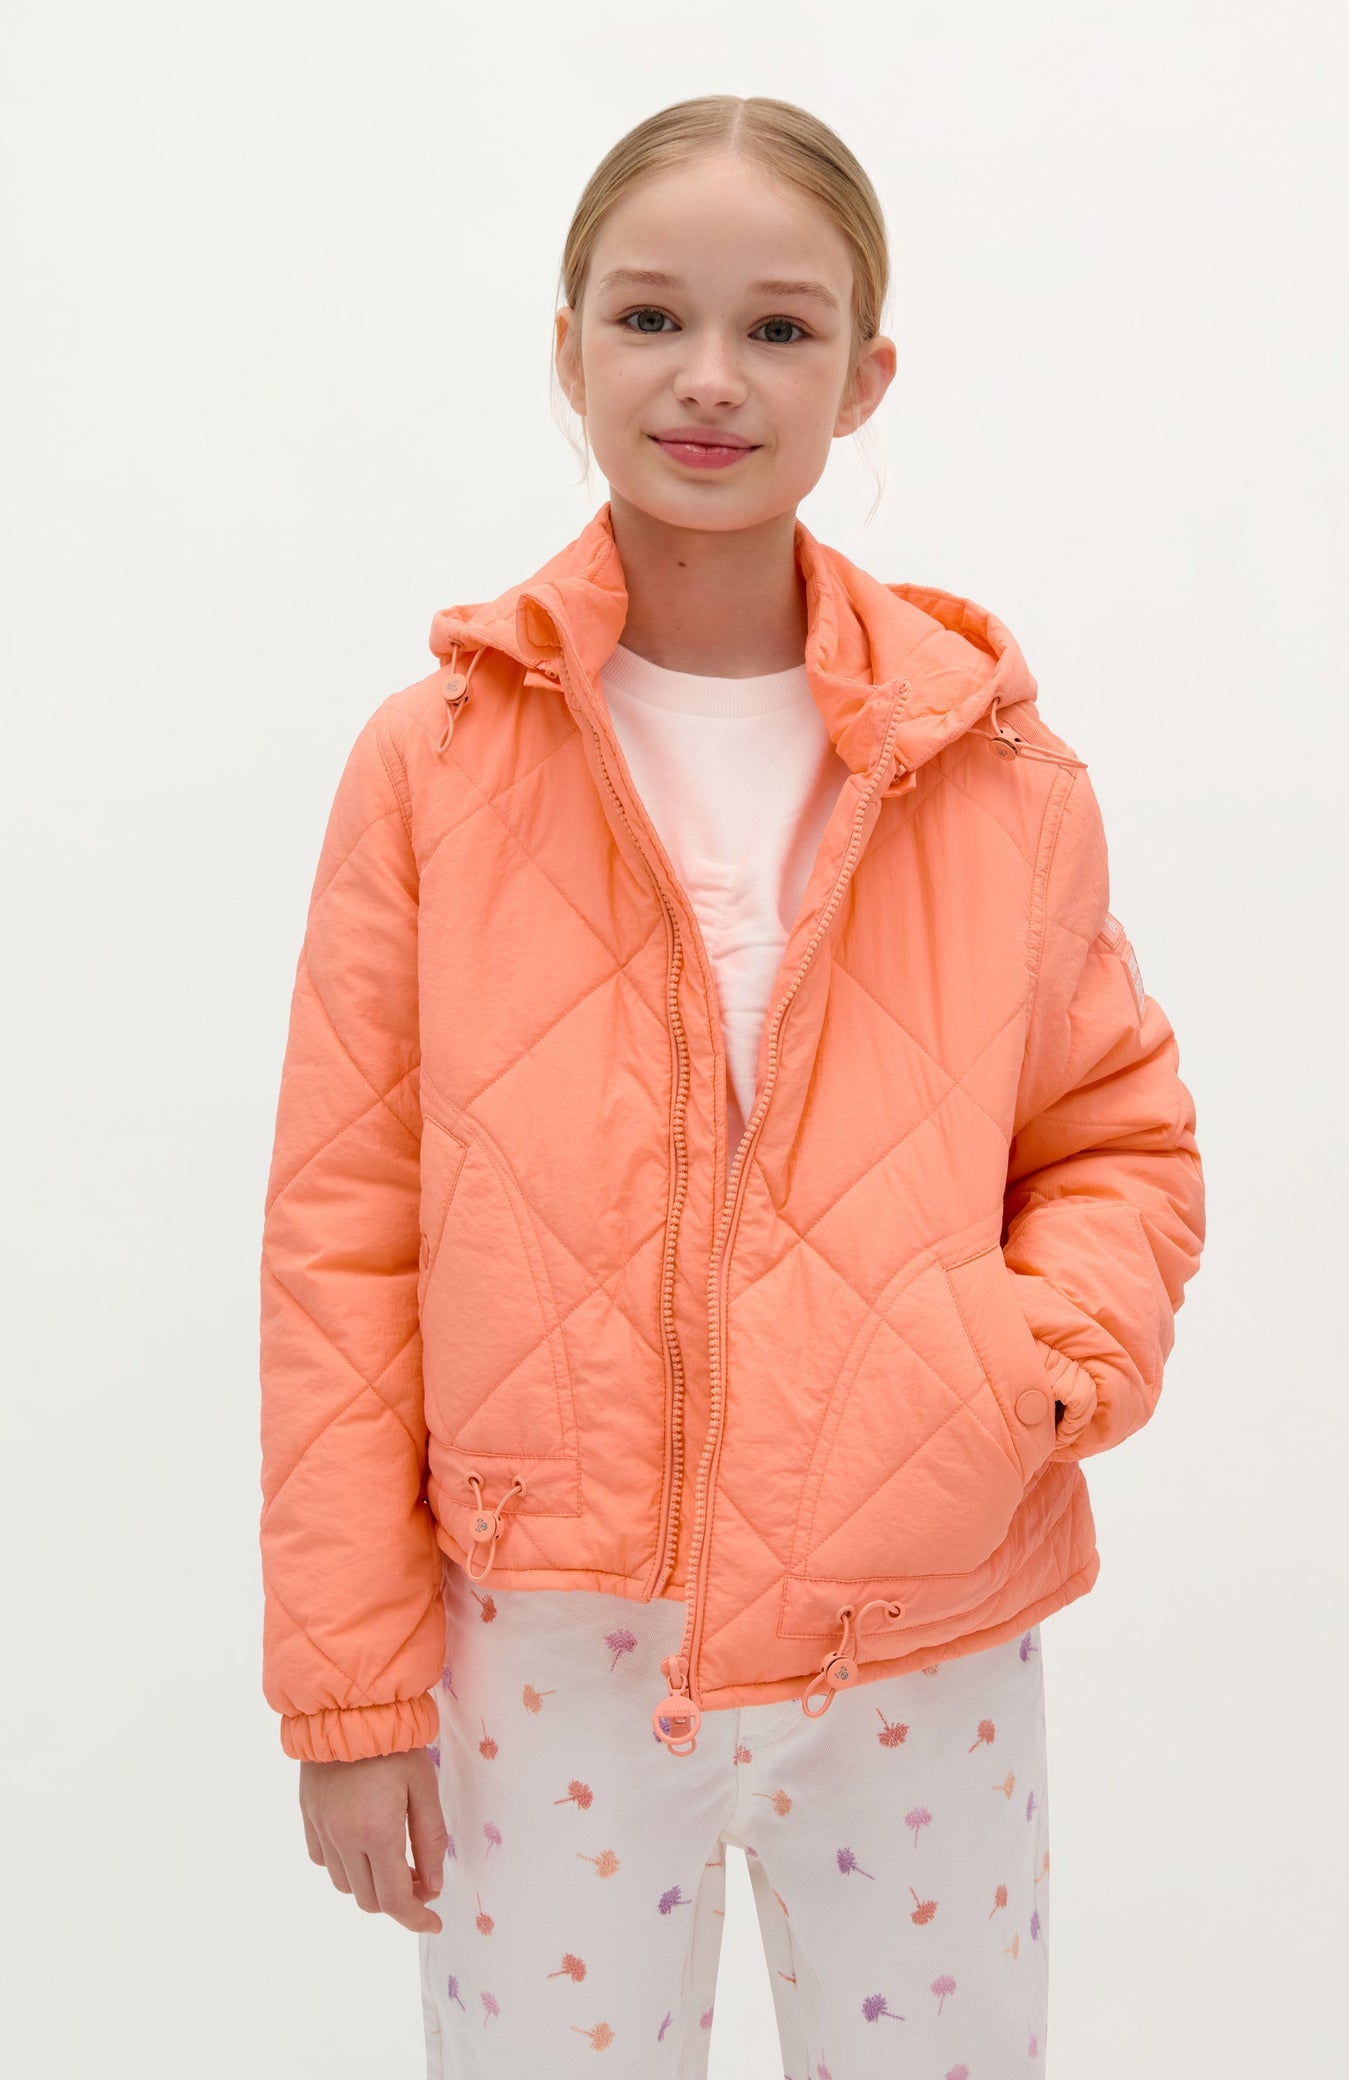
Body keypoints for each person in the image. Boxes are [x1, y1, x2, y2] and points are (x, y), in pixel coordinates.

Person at [257, 94, 1205, 2079]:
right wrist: (350, 1694)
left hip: (920, 1623)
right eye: (649, 317)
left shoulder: (996, 771)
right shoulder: (433, 765)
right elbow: (342, 1243)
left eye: (778, 328)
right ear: (567, 347)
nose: (709, 376)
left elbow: (1114, 1135)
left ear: (863, 378)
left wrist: (1029, 1371)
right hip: (546, 1647)